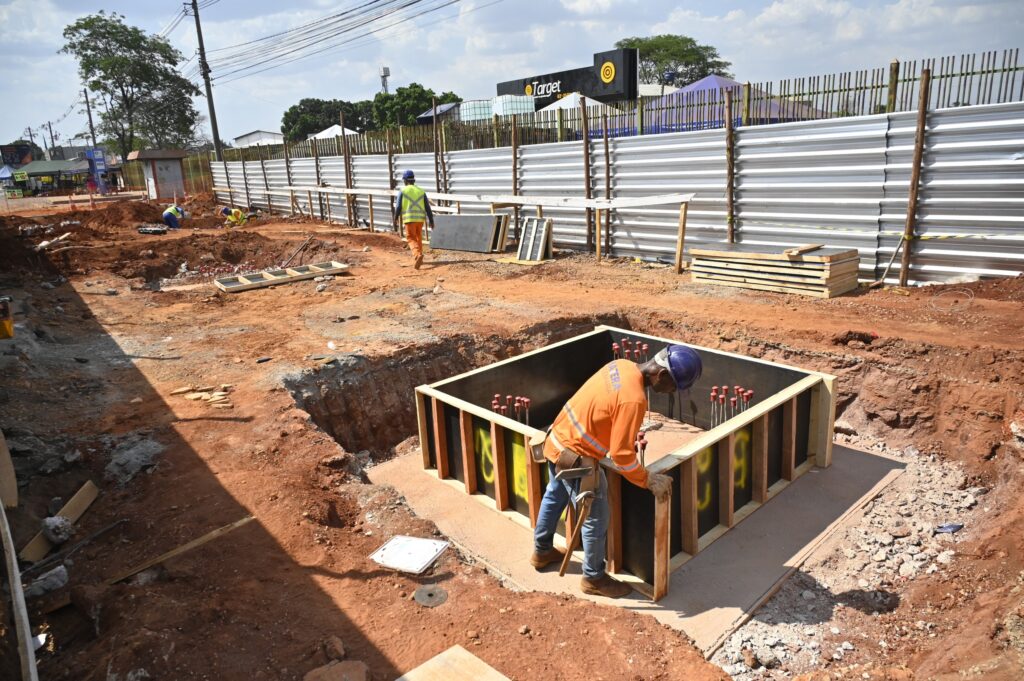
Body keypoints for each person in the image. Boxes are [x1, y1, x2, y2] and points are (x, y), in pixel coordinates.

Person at [530, 344, 703, 598]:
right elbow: (622, 455)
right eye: (673, 387)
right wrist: (647, 479)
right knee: (595, 517)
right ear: (662, 375)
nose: (671, 393)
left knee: (554, 495)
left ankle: (541, 550)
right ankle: (594, 578)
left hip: (556, 440)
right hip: (576, 456)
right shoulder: (634, 399)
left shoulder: (621, 365)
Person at [392, 170, 434, 270]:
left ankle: (417, 255)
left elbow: (398, 207)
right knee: (418, 237)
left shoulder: (403, 191)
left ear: (405, 181)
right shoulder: (421, 191)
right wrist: (431, 220)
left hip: (410, 219)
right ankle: (420, 257)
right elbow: (428, 207)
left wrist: (395, 217)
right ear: (413, 180)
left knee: (411, 238)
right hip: (420, 219)